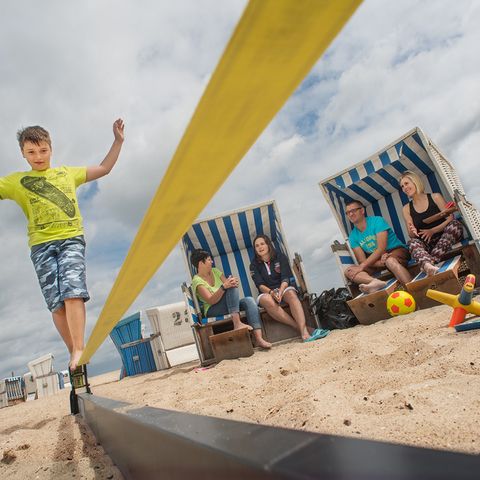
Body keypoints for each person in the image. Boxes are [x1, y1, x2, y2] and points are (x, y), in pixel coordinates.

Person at [0, 119, 125, 370]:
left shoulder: (67, 173)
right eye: (31, 152)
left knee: (73, 291)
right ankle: (72, 352)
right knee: (56, 304)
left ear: (51, 149)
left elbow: (104, 168)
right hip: (40, 246)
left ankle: (80, 348)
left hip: (71, 240)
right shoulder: (16, 181)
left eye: (43, 150)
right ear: (23, 154)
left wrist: (118, 141)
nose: (38, 156)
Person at [249, 235, 328, 342]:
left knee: (291, 294)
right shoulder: (253, 265)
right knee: (266, 300)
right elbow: (260, 285)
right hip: (267, 292)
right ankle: (304, 329)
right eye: (257, 246)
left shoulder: (280, 257)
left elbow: (285, 278)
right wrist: (272, 293)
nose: (260, 247)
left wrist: (281, 291)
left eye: (262, 244)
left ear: (268, 244)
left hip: (283, 286)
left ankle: (304, 334)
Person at [190, 249, 272, 349]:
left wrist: (231, 282)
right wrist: (224, 287)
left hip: (228, 305)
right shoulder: (196, 280)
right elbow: (210, 300)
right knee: (230, 287)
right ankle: (237, 323)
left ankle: (259, 339)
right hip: (212, 309)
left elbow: (228, 284)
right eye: (208, 260)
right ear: (200, 263)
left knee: (249, 301)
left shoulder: (215, 271)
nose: (211, 262)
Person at [400, 170, 463, 276]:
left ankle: (429, 263)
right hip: (428, 244)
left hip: (446, 236)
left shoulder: (435, 197)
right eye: (402, 186)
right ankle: (428, 265)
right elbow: (411, 235)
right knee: (412, 242)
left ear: (415, 182)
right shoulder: (406, 208)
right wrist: (412, 230)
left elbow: (450, 218)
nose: (404, 188)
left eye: (406, 184)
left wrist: (432, 231)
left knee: (455, 225)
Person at [344, 200, 412, 293]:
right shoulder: (352, 236)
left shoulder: (377, 221)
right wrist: (379, 263)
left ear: (362, 211)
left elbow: (381, 248)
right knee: (349, 271)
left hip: (394, 251)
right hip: (375, 260)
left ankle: (414, 290)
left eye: (353, 210)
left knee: (390, 261)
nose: (351, 214)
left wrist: (363, 265)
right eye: (348, 213)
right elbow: (361, 260)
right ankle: (376, 282)